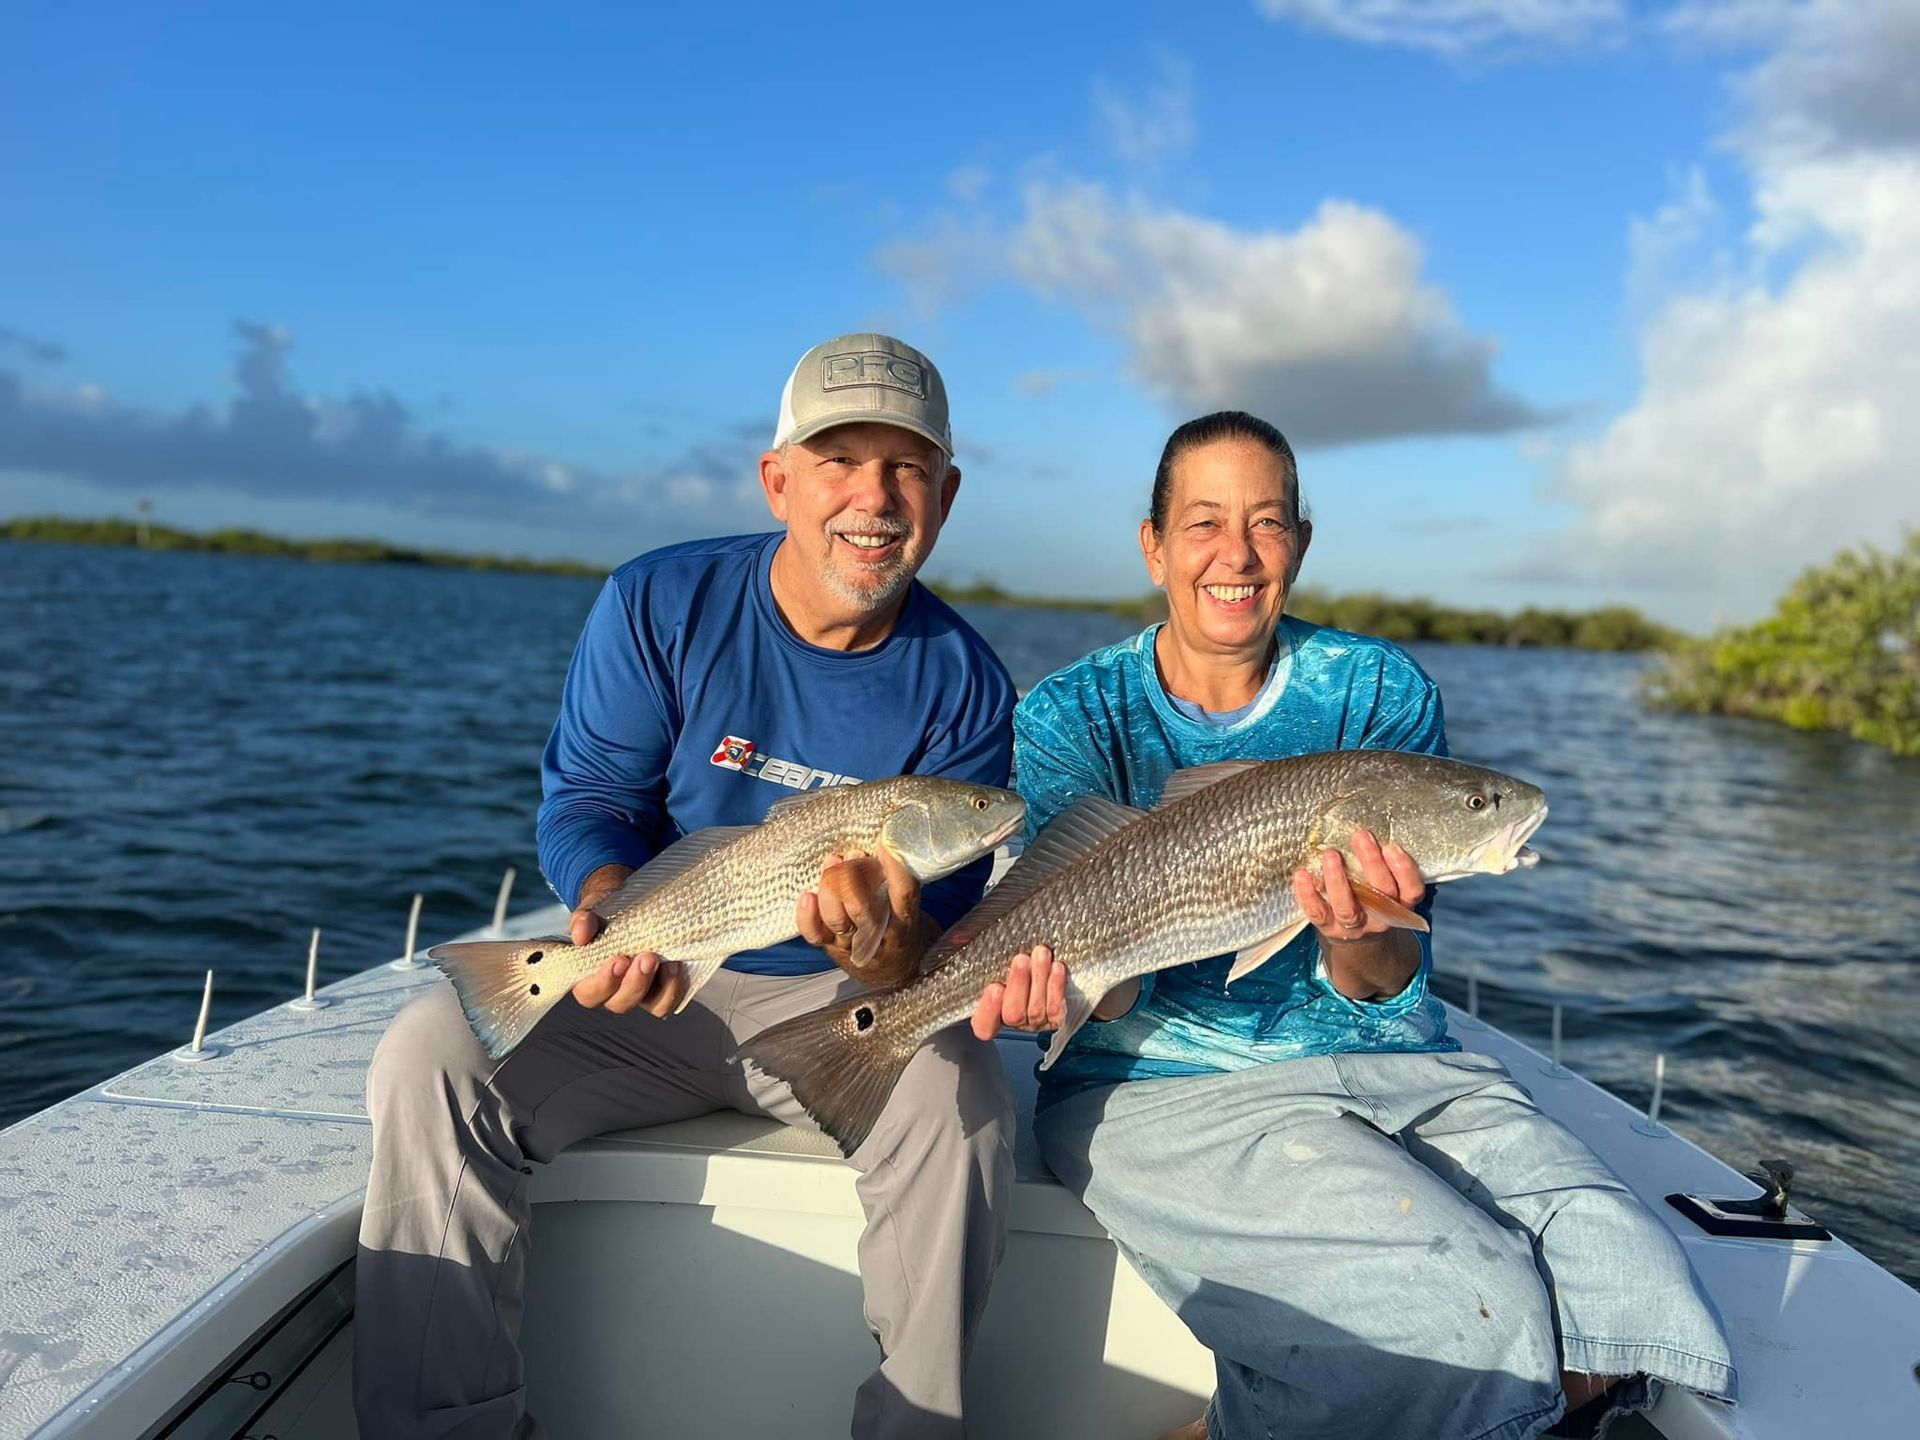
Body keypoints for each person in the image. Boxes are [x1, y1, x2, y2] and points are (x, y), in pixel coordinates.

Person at [971, 411, 1735, 1440]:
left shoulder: (1378, 692)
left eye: (1267, 522)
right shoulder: (1072, 713)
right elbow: (1099, 990)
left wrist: (1351, 933)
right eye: (1203, 523)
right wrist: (1040, 989)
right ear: (1153, 544)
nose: (1236, 555)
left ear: (1301, 542)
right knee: (1470, 1305)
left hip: (1392, 1059)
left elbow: (1382, 979)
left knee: (1628, 1287)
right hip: (1155, 1082)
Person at [356, 333, 1018, 1440]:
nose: (874, 498)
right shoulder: (658, 600)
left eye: (906, 468)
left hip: (834, 1007)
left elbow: (939, 929)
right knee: (429, 1057)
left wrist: (885, 949)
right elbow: (589, 797)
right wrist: (615, 914)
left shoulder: (969, 682)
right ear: (778, 480)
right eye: (839, 460)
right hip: (654, 981)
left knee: (965, 1104)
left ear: (945, 496)